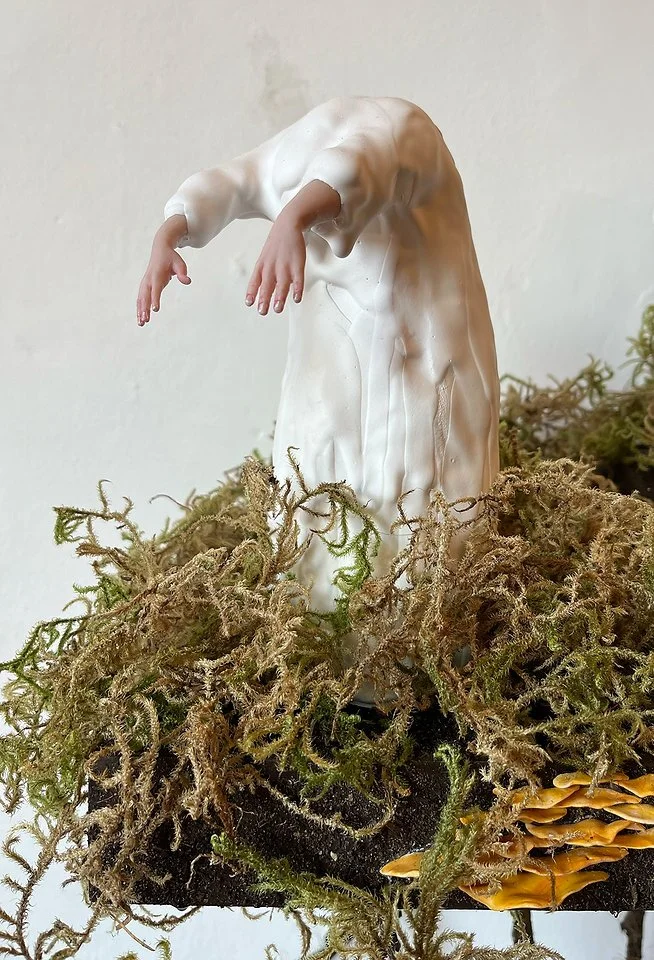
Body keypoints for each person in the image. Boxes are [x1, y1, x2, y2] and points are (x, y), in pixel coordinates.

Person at [137, 96, 500, 614]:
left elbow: (362, 167)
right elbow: (233, 181)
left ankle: (426, 622)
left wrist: (293, 219)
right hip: (332, 341)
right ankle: (316, 619)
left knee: (421, 473)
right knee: (321, 453)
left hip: (421, 341)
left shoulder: (402, 129)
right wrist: (171, 230)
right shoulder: (298, 149)